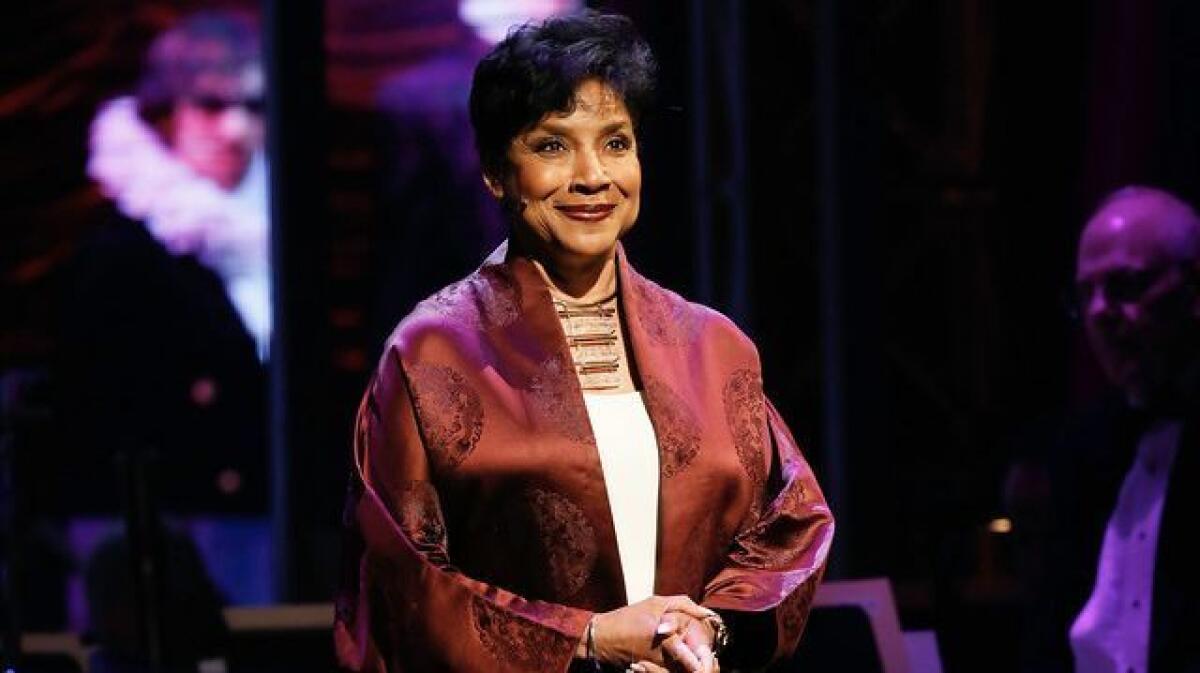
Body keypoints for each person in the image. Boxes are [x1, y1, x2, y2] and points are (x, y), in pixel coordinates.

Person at [335, 12, 834, 673]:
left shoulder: (711, 345)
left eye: (616, 142)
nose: (592, 175)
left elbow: (791, 519)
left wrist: (703, 628)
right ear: (494, 171)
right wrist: (588, 637)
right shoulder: (433, 353)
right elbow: (399, 579)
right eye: (552, 146)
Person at [1016, 186, 1200, 673]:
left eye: (1126, 285)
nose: (1099, 313)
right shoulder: (1084, 448)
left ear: (1192, 292)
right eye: (1086, 295)